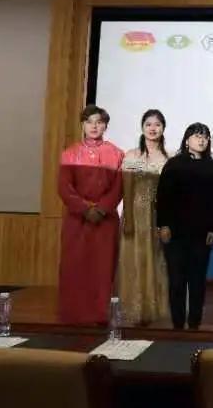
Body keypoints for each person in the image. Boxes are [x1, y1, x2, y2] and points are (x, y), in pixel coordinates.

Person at [58, 105, 124, 325]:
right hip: (77, 220)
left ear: (105, 126)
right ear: (82, 125)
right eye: (89, 122)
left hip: (106, 221)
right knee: (74, 266)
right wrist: (86, 209)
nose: (94, 126)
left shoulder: (117, 154)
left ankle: (100, 315)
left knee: (103, 268)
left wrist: (102, 209)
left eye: (99, 122)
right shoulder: (69, 153)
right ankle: (73, 314)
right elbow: (64, 188)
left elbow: (118, 188)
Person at [156, 123, 213, 330]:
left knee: (197, 281)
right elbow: (163, 197)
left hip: (202, 234)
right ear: (187, 140)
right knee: (176, 280)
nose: (201, 140)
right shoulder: (174, 164)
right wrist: (163, 225)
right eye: (197, 136)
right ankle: (177, 324)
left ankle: (194, 323)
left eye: (205, 137)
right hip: (175, 233)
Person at [116, 109, 170, 326]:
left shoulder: (169, 157)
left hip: (159, 214)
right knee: (135, 260)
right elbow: (127, 188)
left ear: (163, 128)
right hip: (136, 213)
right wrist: (128, 218)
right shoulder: (134, 156)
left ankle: (154, 309)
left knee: (157, 259)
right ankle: (134, 309)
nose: (153, 128)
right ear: (142, 128)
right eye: (148, 124)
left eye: (157, 124)